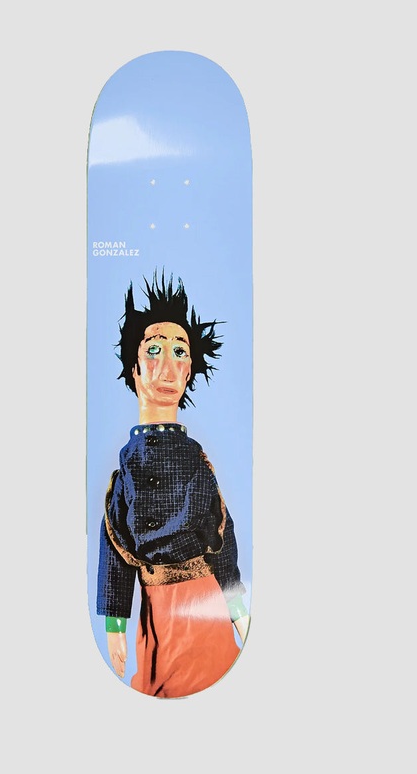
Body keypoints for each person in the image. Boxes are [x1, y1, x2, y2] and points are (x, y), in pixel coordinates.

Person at [96, 271, 249, 698]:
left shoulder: (197, 463)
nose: (167, 367)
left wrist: (237, 608)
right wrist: (115, 624)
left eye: (180, 352)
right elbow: (114, 548)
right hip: (157, 613)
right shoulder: (124, 474)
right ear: (134, 367)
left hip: (204, 608)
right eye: (154, 350)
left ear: (189, 371)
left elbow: (221, 532)